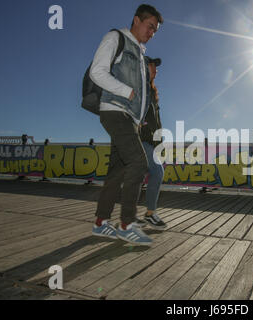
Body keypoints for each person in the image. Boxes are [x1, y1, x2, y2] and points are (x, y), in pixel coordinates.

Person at [90, 4, 163, 245]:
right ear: (136, 20)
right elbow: (96, 72)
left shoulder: (141, 54)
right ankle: (126, 225)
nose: (152, 32)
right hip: (115, 111)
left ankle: (101, 223)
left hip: (130, 120)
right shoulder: (116, 37)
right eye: (150, 26)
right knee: (139, 162)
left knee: (117, 172)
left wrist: (140, 119)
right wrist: (126, 91)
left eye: (155, 30)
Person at [140, 57, 167, 229]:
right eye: (152, 67)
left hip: (152, 140)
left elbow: (156, 118)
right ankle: (149, 214)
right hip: (142, 139)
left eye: (156, 68)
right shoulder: (141, 87)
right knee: (157, 172)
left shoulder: (152, 90)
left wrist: (160, 138)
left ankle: (126, 218)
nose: (155, 71)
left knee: (136, 176)